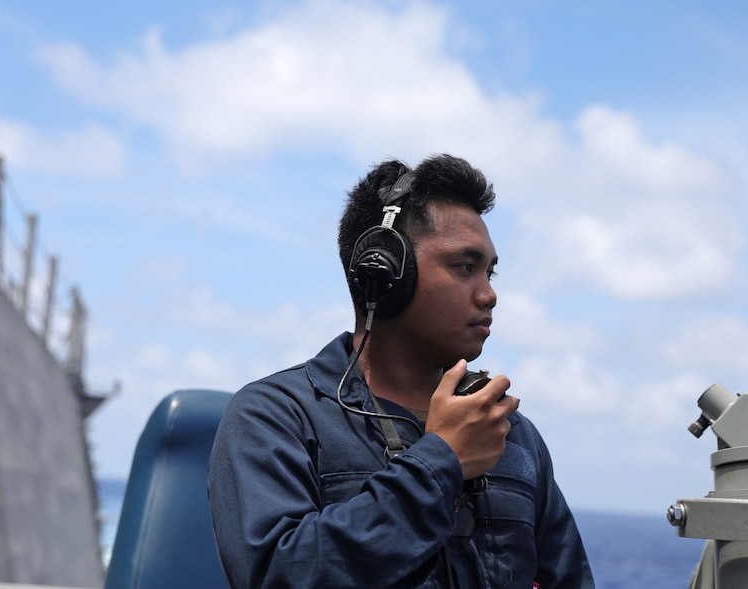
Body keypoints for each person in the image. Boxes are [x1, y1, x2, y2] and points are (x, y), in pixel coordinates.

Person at [207, 154, 595, 588]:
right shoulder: (274, 418)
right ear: (386, 272)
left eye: (490, 272)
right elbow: (278, 576)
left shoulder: (512, 434)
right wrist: (441, 461)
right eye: (465, 267)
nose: (489, 294)